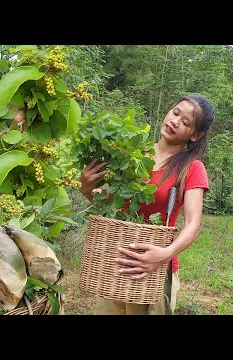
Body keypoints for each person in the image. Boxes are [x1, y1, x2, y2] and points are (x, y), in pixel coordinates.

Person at [79, 94, 215, 315]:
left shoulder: (191, 168)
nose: (174, 121)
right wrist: (86, 188)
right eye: (175, 112)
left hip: (154, 268)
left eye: (185, 122)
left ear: (195, 135)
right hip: (118, 260)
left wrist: (164, 254)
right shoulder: (133, 154)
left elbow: (192, 223)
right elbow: (107, 203)